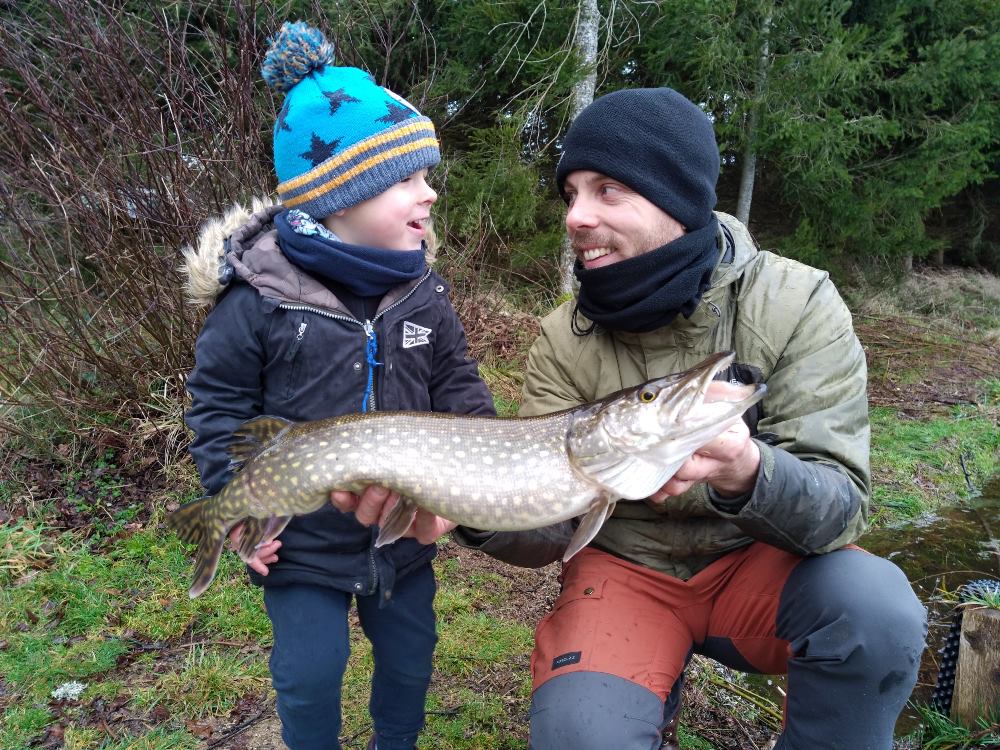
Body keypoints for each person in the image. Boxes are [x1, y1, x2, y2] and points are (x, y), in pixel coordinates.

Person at [335, 87, 928, 750]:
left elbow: (841, 506)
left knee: (875, 611)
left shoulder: (796, 302)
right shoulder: (563, 337)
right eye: (570, 194)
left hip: (757, 566)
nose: (576, 217)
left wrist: (746, 473)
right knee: (581, 735)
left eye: (607, 190)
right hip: (624, 572)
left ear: (675, 196)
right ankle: (640, 685)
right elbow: (552, 530)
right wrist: (469, 510)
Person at [181, 21, 495, 750]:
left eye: (427, 175)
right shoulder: (255, 299)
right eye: (409, 180)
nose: (431, 195)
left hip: (404, 540)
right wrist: (236, 505)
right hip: (303, 548)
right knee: (310, 673)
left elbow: (460, 388)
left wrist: (476, 464)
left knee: (412, 663)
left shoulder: (425, 292)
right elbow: (220, 407)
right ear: (341, 198)